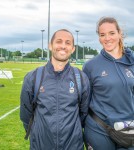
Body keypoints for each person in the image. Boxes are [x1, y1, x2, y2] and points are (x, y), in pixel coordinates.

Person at [20, 29, 90, 150]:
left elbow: (83, 113)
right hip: (40, 145)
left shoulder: (81, 78)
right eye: (59, 41)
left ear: (73, 49)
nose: (63, 46)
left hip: (73, 146)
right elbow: (26, 114)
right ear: (50, 45)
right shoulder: (33, 77)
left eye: (68, 43)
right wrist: (38, 134)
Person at [83, 17, 134, 150]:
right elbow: (84, 101)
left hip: (128, 127)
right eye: (102, 35)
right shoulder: (90, 66)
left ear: (119, 33)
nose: (107, 38)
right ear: (99, 38)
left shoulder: (132, 61)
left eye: (111, 33)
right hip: (99, 127)